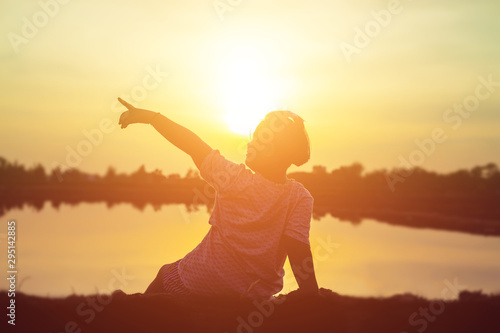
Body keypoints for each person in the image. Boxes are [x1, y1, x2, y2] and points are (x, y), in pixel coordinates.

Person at [118, 97, 319, 300]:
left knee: (164, 274)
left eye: (258, 139)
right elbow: (298, 250)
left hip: (200, 278)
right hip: (254, 292)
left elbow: (191, 144)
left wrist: (151, 118)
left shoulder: (233, 177)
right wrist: (312, 296)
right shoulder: (299, 197)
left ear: (275, 150)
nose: (250, 143)